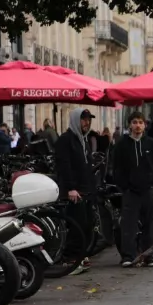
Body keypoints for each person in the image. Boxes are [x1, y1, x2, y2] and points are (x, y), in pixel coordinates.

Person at [113, 111, 153, 267]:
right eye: (134, 122)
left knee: (150, 224)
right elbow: (116, 167)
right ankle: (128, 256)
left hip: (147, 190)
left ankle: (150, 256)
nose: (138, 125)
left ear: (145, 125)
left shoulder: (151, 143)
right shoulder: (122, 144)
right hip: (130, 192)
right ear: (130, 124)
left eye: (140, 122)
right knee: (128, 225)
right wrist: (124, 186)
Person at [54, 108, 97, 272]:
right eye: (83, 119)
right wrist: (71, 188)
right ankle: (70, 259)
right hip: (74, 191)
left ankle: (81, 256)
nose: (86, 122)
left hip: (86, 190)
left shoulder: (83, 141)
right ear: (75, 120)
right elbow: (64, 166)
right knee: (76, 226)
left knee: (86, 225)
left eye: (88, 119)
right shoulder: (66, 140)